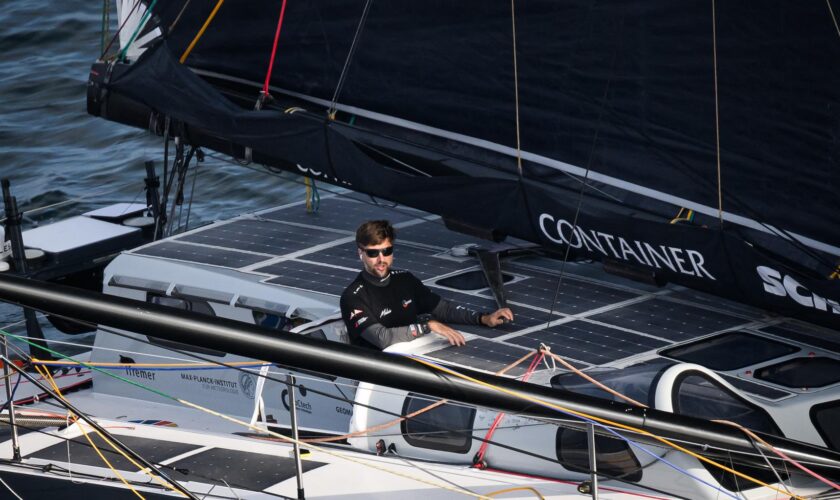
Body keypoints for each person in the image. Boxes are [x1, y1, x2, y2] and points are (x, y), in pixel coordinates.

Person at [340, 220, 514, 350]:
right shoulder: (353, 297)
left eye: (386, 251)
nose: (381, 259)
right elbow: (382, 338)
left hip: (413, 356)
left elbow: (443, 309)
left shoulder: (405, 280)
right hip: (376, 374)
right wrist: (427, 326)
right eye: (372, 253)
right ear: (360, 253)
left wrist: (483, 318)